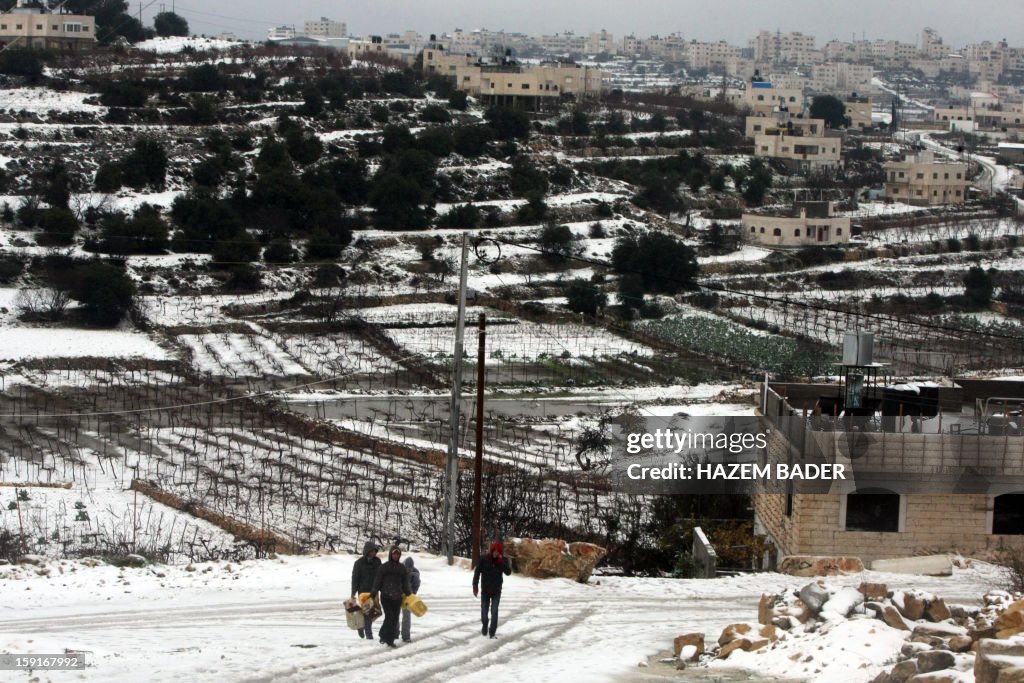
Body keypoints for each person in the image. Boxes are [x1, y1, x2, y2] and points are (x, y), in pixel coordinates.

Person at [371, 546, 413, 648]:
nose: (395, 556)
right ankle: (383, 635)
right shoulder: (384, 567)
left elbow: (405, 583)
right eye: (394, 554)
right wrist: (373, 592)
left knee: (394, 619)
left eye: (397, 554)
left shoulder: (401, 568)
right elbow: (377, 581)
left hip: (397, 597)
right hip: (386, 597)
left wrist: (409, 594)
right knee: (389, 617)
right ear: (391, 554)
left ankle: (389, 640)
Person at [472, 541, 512, 638]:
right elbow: (477, 573)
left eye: (498, 552)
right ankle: (485, 624)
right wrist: (475, 586)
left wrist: (502, 562)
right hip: (485, 590)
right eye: (494, 551)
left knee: (494, 611)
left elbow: (508, 572)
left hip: (496, 591)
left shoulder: (502, 561)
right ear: (492, 550)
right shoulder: (484, 559)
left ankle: (492, 632)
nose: (496, 553)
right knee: (484, 613)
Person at [350, 541, 381, 641]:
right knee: (368, 613)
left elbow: (381, 576)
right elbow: (355, 578)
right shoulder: (358, 563)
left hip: (374, 591)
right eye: (372, 551)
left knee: (374, 612)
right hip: (363, 592)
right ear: (367, 551)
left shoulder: (378, 562)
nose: (374, 553)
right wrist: (353, 592)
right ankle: (369, 634)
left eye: (375, 551)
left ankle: (361, 626)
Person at [401, 556, 421, 643]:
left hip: (408, 597)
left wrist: (413, 594)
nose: (408, 570)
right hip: (397, 595)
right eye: (407, 569)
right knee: (394, 616)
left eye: (410, 569)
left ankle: (406, 636)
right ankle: (394, 634)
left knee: (406, 616)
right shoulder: (399, 569)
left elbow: (416, 585)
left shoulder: (415, 574)